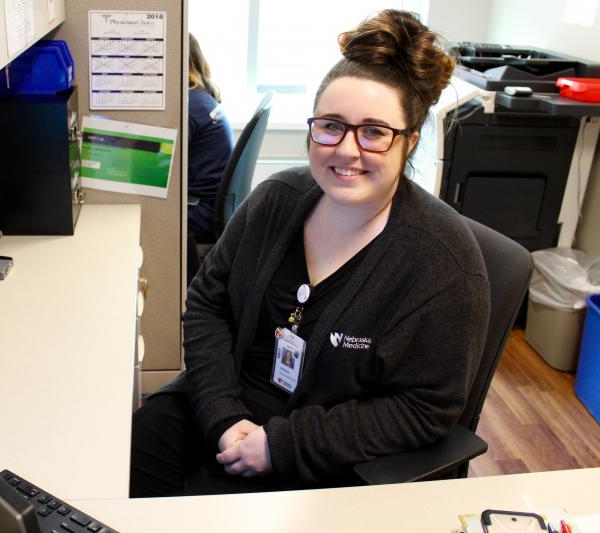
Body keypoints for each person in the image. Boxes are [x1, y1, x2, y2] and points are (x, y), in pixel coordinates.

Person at [130, 10, 490, 497]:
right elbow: (209, 304)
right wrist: (223, 415)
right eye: (331, 125)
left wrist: (279, 445)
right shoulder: (276, 199)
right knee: (116, 469)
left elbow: (425, 408)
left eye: (374, 132)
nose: (347, 149)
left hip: (320, 455)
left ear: (410, 142)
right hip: (222, 408)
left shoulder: (442, 265)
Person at [187, 33, 234, 244]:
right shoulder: (201, 96)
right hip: (210, 207)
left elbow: (167, 166)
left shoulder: (189, 105)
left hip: (198, 212)